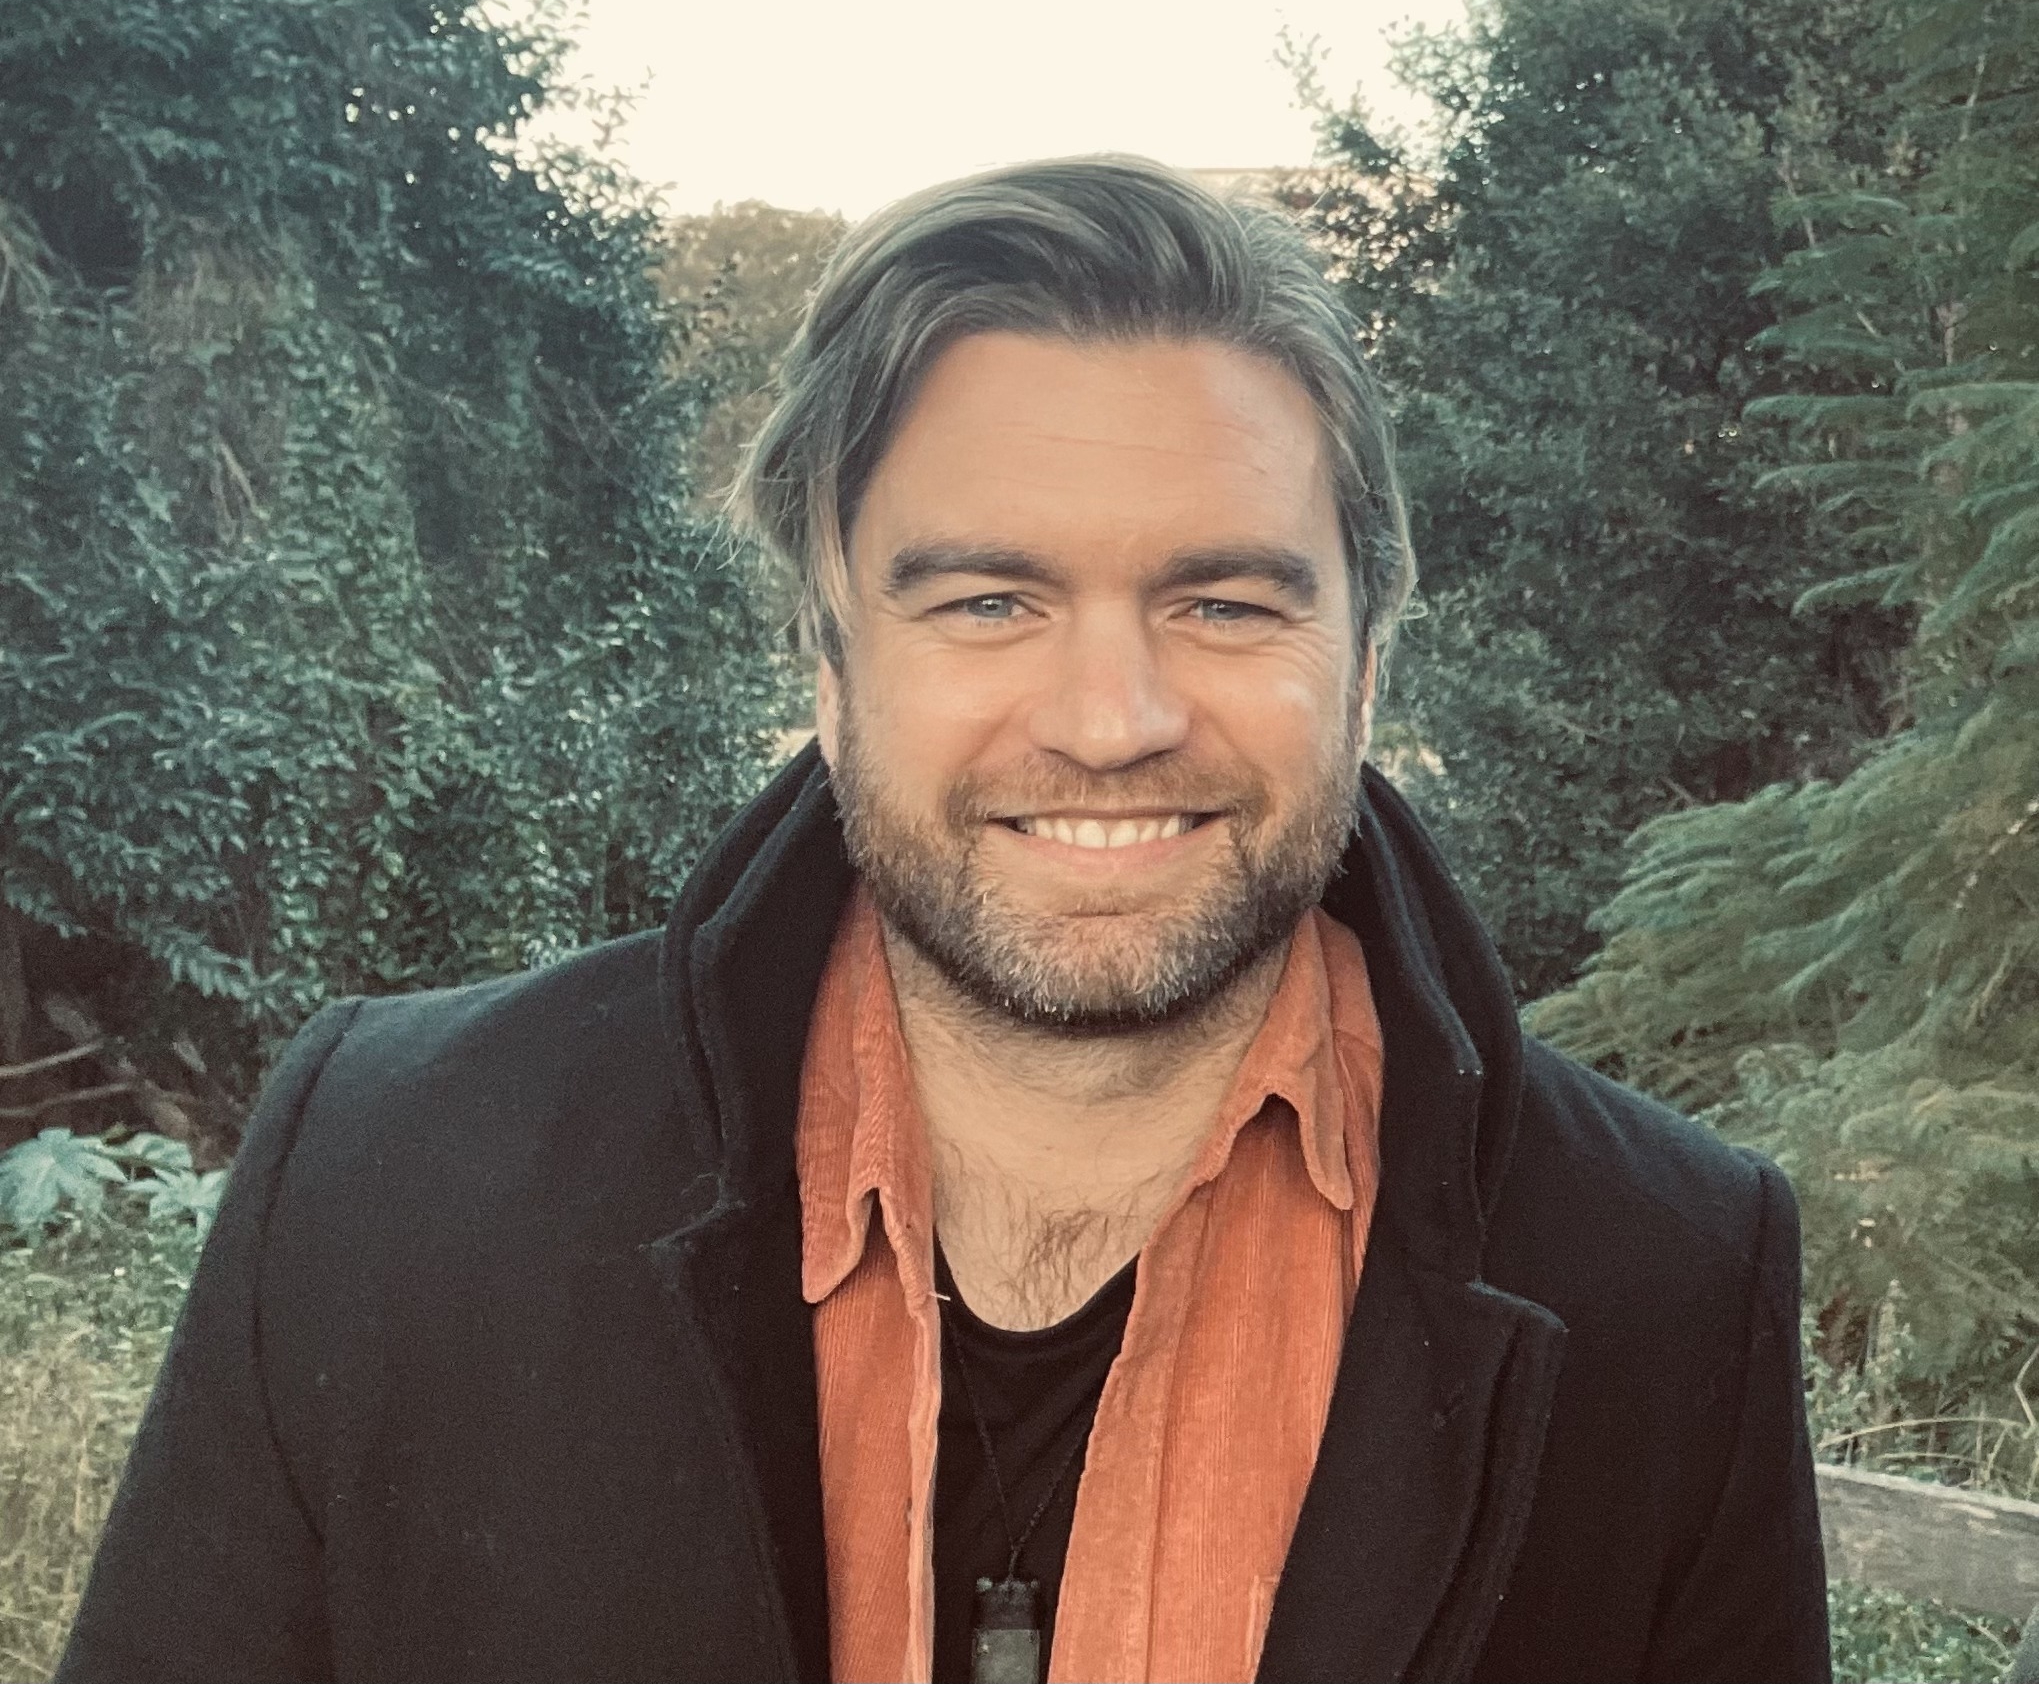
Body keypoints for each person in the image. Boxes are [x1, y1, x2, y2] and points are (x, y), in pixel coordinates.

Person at [56, 156, 1830, 1684]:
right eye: (988, 601)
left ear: (1365, 666)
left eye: (1224, 602)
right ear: (829, 665)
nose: (1113, 718)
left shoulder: (1666, 1273)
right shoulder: (387, 1177)